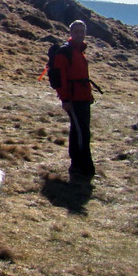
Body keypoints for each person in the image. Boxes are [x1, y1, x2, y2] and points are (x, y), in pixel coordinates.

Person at [52, 20, 96, 177]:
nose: (79, 34)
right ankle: (85, 166)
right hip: (73, 99)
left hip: (83, 97)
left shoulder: (79, 51)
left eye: (81, 32)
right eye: (76, 31)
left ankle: (77, 163)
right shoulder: (65, 52)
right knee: (82, 131)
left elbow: (83, 76)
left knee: (79, 130)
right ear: (70, 33)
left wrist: (89, 94)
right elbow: (59, 77)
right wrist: (65, 99)